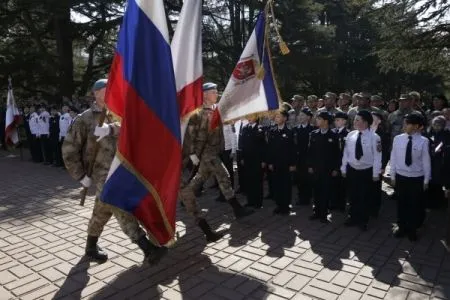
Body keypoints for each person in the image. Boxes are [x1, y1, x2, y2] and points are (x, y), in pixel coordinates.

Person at [63, 79, 167, 263]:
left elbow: (131, 129)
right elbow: (69, 150)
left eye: (110, 89)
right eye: (104, 90)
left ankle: (90, 246)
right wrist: (80, 176)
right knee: (118, 203)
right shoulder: (84, 119)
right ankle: (146, 246)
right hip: (101, 172)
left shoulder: (118, 113)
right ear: (95, 94)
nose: (109, 92)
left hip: (123, 169)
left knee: (102, 209)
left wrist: (111, 129)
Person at [181, 82, 254, 242]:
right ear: (205, 95)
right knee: (224, 176)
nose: (216, 94)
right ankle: (237, 209)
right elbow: (189, 134)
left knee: (200, 178)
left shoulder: (216, 111)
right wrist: (192, 152)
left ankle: (186, 195)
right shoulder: (197, 113)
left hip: (214, 150)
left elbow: (223, 125)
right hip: (205, 152)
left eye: (216, 91)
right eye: (213, 92)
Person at [390, 112, 431, 241]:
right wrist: (392, 175)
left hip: (416, 178)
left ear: (416, 126)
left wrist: (426, 179)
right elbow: (394, 157)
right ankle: (401, 226)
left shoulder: (424, 141)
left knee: (414, 204)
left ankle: (412, 229)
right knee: (402, 203)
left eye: (407, 124)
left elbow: (426, 161)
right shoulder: (398, 138)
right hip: (401, 176)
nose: (404, 126)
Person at [341, 110, 382, 231]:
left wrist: (375, 173)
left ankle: (363, 220)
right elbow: (346, 153)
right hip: (353, 169)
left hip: (366, 171)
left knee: (365, 196)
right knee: (353, 195)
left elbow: (377, 156)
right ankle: (352, 216)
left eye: (357, 120)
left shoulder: (374, 137)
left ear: (365, 122)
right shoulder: (351, 135)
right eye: (355, 120)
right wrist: (343, 167)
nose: (355, 122)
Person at [307, 111, 340, 223]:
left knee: (326, 191)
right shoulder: (314, 134)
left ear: (326, 121)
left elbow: (337, 154)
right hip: (316, 169)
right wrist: (310, 165)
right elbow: (310, 152)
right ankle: (316, 212)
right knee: (316, 191)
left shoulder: (334, 136)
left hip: (328, 170)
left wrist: (336, 168)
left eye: (319, 119)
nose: (317, 120)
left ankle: (323, 214)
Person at [266, 104, 297, 215]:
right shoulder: (272, 131)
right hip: (275, 163)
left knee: (286, 185)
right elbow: (270, 148)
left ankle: (286, 206)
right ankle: (279, 204)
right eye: (276, 116)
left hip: (286, 164)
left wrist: (293, 163)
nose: (276, 118)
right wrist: (269, 162)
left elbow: (293, 149)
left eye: (279, 116)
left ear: (285, 118)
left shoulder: (290, 131)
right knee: (277, 184)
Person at [240, 113, 266, 208]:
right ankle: (250, 200)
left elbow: (263, 146)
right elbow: (243, 145)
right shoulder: (245, 128)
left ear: (256, 118)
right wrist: (242, 157)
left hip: (257, 159)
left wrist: (263, 160)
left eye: (251, 116)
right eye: (248, 116)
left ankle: (258, 202)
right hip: (247, 159)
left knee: (257, 181)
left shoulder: (260, 129)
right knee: (249, 180)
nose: (249, 118)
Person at [425, 116, 449, 209]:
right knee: (429, 181)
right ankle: (429, 202)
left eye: (439, 124)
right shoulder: (429, 133)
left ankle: (439, 203)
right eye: (435, 124)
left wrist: (441, 149)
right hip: (429, 160)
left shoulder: (446, 134)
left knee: (438, 182)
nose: (436, 126)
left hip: (441, 162)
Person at [293, 108, 315, 206]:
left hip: (309, 159)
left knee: (308, 179)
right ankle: (301, 197)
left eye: (302, 115)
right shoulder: (296, 129)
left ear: (309, 117)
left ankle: (307, 197)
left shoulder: (313, 130)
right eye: (299, 115)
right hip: (298, 158)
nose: (300, 117)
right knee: (299, 179)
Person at [371, 111, 390, 217]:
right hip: (366, 165)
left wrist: (382, 167)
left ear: (379, 121)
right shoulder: (365, 131)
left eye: (373, 119)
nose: (371, 120)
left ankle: (374, 210)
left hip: (377, 166)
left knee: (375, 189)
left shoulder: (382, 134)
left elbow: (385, 152)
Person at [332, 111, 350, 211]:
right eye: (335, 120)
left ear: (344, 121)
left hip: (342, 163)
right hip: (333, 162)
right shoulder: (333, 132)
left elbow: (344, 152)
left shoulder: (347, 134)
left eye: (338, 120)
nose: (336, 122)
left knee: (342, 186)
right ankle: (334, 203)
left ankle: (341, 204)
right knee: (333, 184)